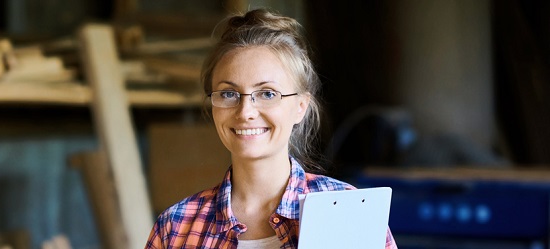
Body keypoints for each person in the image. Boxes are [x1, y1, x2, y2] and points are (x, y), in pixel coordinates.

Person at [144, 9, 397, 249]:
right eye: (229, 93)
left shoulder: (350, 213)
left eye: (267, 93)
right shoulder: (176, 227)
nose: (245, 112)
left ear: (300, 106)